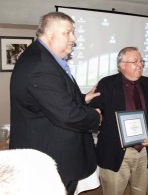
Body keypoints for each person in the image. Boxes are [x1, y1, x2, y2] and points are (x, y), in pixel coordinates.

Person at [9, 12, 102, 195]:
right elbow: (67, 114)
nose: (73, 39)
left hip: (52, 153)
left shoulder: (42, 57)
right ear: (50, 34)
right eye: (68, 33)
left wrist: (83, 99)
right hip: (50, 157)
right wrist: (96, 117)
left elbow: (51, 99)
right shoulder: (41, 65)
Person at [90, 47, 148, 195]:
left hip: (144, 150)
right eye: (135, 61)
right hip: (115, 151)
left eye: (141, 61)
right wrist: (96, 114)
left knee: (140, 192)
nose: (140, 65)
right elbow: (95, 109)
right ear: (122, 65)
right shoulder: (107, 84)